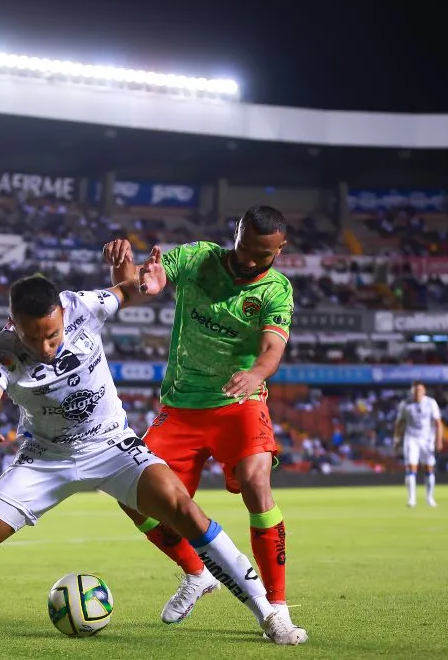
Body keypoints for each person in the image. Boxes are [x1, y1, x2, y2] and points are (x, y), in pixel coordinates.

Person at [0, 265, 299, 644]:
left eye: (53, 335)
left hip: (112, 446)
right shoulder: (2, 351)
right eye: (34, 338)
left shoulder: (82, 306)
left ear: (62, 311)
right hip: (45, 460)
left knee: (185, 511)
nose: (45, 347)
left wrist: (146, 280)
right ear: (13, 322)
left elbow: (127, 291)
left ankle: (269, 615)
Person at [101, 206, 306, 644]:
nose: (251, 261)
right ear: (236, 232)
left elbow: (272, 347)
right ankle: (197, 572)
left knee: (256, 481)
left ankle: (277, 607)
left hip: (240, 402)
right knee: (132, 496)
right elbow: (147, 282)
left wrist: (256, 374)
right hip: (181, 406)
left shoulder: (277, 290)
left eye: (264, 254)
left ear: (280, 249)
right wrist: (139, 276)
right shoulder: (197, 257)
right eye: (246, 248)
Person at [392, 381, 443, 508]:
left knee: (429, 469)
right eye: (415, 390)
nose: (417, 393)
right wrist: (397, 439)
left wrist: (439, 440)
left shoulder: (431, 403)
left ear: (424, 391)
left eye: (419, 390)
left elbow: (438, 423)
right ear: (411, 392)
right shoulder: (405, 404)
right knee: (411, 468)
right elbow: (399, 423)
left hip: (427, 440)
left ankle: (429, 498)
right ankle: (412, 499)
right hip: (411, 439)